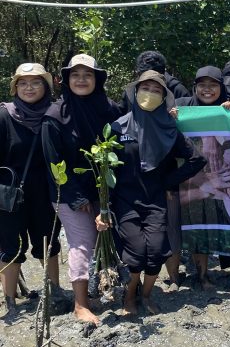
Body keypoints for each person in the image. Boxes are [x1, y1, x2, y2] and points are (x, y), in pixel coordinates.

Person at [99, 71, 206, 315]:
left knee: (157, 251)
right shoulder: (117, 127)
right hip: (125, 202)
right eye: (145, 88)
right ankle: (129, 296)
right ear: (135, 92)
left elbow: (197, 159)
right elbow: (105, 170)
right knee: (136, 253)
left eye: (157, 90)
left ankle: (146, 295)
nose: (150, 94)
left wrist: (168, 182)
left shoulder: (169, 128)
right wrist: (104, 208)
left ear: (164, 97)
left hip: (156, 200)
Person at [42, 54, 121, 325]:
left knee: (104, 238)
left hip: (104, 189)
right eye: (75, 75)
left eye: (88, 75)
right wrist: (77, 197)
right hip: (68, 192)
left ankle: (99, 290)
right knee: (82, 242)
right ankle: (80, 304)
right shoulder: (55, 115)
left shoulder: (110, 109)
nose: (81, 80)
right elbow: (53, 162)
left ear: (97, 79)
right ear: (66, 80)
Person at [0, 63, 61, 321]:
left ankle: (55, 292)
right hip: (9, 195)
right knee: (10, 247)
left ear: (45, 87)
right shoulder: (4, 115)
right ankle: (10, 302)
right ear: (15, 88)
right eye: (23, 83)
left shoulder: (54, 114)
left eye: (36, 82)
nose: (29, 88)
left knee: (48, 243)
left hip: (45, 193)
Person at [176, 66, 228, 288]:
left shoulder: (227, 109)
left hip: (217, 180)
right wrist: (171, 116)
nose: (208, 90)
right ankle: (179, 276)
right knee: (189, 225)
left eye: (213, 85)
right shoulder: (182, 107)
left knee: (207, 227)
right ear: (195, 87)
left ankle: (204, 274)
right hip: (188, 180)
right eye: (202, 85)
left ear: (221, 88)